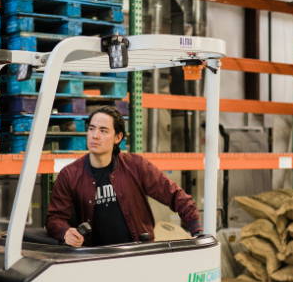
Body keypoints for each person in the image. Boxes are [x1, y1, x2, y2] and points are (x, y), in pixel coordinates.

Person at [45, 105, 202, 247]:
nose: (95, 135)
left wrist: (197, 231)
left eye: (103, 131)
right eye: (91, 129)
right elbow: (55, 218)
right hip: (93, 259)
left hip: (137, 253)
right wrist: (65, 232)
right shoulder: (69, 175)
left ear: (118, 138)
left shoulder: (136, 166)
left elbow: (175, 196)